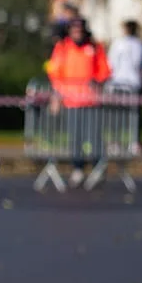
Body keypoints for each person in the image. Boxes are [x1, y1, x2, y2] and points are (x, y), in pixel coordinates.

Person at [45, 15, 111, 186]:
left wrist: (99, 80)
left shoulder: (95, 47)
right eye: (74, 30)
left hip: (91, 100)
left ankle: (98, 168)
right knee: (76, 137)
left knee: (94, 135)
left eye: (79, 30)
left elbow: (104, 69)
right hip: (71, 101)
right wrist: (57, 95)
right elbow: (55, 72)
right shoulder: (63, 48)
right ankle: (78, 169)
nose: (77, 33)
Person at [108, 20, 142, 93]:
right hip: (133, 81)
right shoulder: (139, 44)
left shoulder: (117, 43)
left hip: (117, 80)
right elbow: (138, 62)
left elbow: (111, 61)